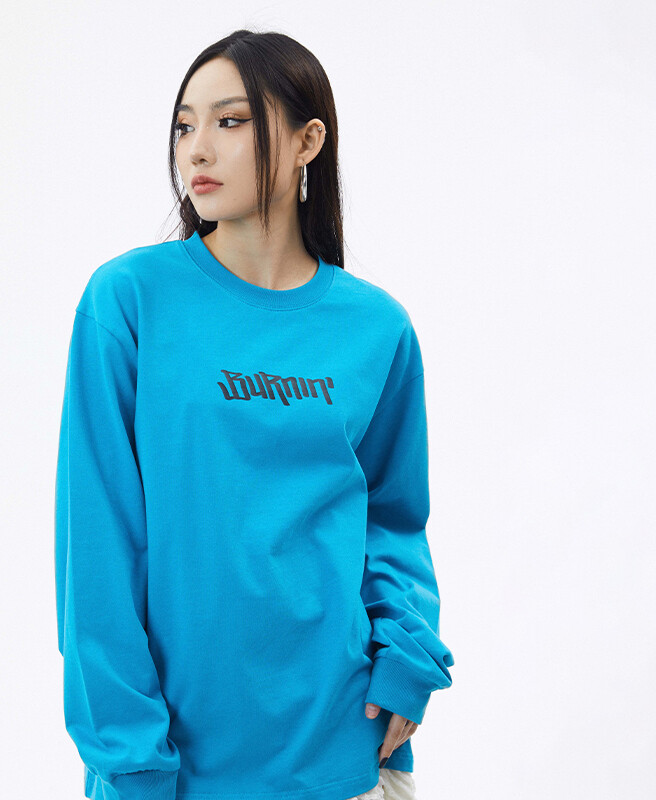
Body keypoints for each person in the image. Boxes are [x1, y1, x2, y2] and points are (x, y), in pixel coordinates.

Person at [55, 28, 454, 800]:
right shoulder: (129, 302)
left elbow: (393, 521)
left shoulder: (377, 329)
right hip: (173, 772)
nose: (197, 149)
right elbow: (96, 552)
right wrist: (130, 760)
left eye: (230, 121)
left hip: (346, 754)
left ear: (308, 141)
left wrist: (407, 661)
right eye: (184, 125)